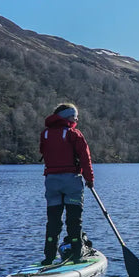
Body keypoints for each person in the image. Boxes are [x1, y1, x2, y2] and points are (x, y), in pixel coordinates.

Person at [40, 103, 94, 265]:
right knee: (74, 220)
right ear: (67, 117)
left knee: (53, 221)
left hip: (51, 182)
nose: (76, 119)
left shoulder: (45, 134)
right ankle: (77, 254)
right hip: (71, 181)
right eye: (74, 116)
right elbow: (85, 158)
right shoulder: (74, 134)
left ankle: (49, 257)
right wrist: (89, 179)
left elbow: (44, 152)